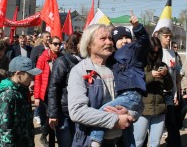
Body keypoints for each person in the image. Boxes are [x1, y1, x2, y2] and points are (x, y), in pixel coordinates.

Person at [89, 13, 150, 147]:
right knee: (127, 127)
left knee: (104, 111)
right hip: (124, 96)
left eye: (127, 38)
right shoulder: (114, 56)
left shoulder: (134, 50)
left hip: (131, 94)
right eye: (120, 38)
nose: (124, 41)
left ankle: (95, 141)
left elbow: (144, 41)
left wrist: (137, 27)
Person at [68, 24, 134, 147]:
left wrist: (130, 112)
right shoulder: (79, 71)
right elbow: (77, 111)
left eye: (110, 38)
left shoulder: (120, 69)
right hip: (90, 141)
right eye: (103, 39)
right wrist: (115, 120)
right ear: (89, 44)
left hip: (122, 140)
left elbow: (136, 100)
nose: (109, 42)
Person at [133, 37, 173, 147]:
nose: (154, 55)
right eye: (152, 52)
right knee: (138, 142)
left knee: (155, 143)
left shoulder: (162, 65)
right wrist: (151, 75)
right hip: (143, 110)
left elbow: (169, 87)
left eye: (157, 52)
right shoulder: (139, 64)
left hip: (159, 110)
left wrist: (166, 75)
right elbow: (135, 83)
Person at [0, 56, 42, 147]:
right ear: (18, 73)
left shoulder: (22, 90)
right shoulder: (7, 96)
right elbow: (4, 129)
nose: (32, 78)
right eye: (30, 75)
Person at [48, 32, 83, 147]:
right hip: (64, 113)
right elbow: (53, 88)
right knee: (66, 143)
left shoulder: (85, 61)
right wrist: (53, 114)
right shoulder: (62, 61)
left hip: (80, 111)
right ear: (76, 44)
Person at [34, 36, 62, 146]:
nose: (57, 46)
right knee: (49, 116)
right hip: (45, 93)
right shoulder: (43, 58)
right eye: (55, 44)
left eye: (59, 44)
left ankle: (47, 137)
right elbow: (38, 77)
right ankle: (45, 136)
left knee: (54, 116)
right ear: (49, 44)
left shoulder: (61, 57)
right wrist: (36, 96)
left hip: (57, 93)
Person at [157, 27, 181, 147]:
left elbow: (174, 76)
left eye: (170, 36)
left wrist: (175, 94)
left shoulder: (172, 53)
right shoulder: (155, 53)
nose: (168, 38)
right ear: (159, 36)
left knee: (172, 121)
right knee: (156, 122)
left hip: (169, 93)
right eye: (165, 36)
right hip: (157, 92)